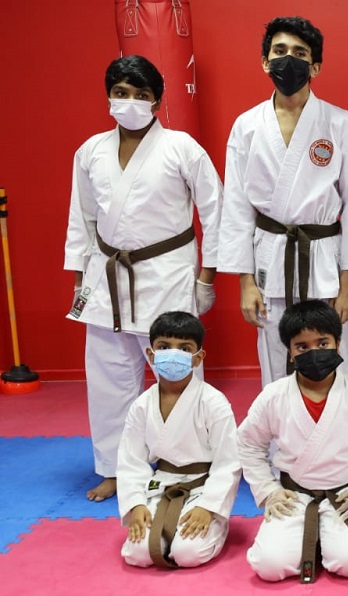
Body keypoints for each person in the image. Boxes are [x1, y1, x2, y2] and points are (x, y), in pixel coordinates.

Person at [64, 55, 222, 502]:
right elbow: (81, 219)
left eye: (140, 94)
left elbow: (216, 212)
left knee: (178, 375)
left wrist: (206, 277)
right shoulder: (90, 151)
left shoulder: (181, 148)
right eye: (121, 92)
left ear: (156, 100)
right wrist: (79, 280)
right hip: (107, 279)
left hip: (167, 273)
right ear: (108, 96)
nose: (129, 101)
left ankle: (188, 460)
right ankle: (115, 469)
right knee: (108, 381)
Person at [219, 16, 348, 385]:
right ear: (265, 62)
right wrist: (245, 282)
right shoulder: (247, 126)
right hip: (270, 255)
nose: (289, 60)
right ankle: (279, 424)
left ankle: (341, 421)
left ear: (315, 66)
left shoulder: (339, 122)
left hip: (324, 257)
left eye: (300, 53)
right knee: (275, 355)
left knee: (335, 353)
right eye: (280, 51)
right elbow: (237, 208)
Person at [238, 300, 348, 583]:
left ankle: (329, 534)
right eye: (302, 346)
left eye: (323, 343)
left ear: (338, 343)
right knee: (269, 566)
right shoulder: (273, 395)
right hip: (293, 496)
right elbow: (249, 445)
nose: (314, 352)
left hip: (347, 495)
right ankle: (314, 533)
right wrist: (268, 491)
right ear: (290, 351)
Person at [117, 312, 241, 569]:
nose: (173, 354)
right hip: (160, 485)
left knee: (188, 554)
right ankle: (162, 521)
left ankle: (218, 526)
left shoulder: (213, 402)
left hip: (203, 486)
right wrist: (136, 504)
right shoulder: (142, 405)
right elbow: (131, 461)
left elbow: (228, 462)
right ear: (151, 354)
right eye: (164, 347)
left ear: (198, 358)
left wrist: (209, 507)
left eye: (184, 348)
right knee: (138, 554)